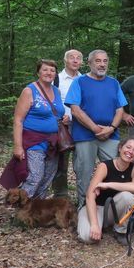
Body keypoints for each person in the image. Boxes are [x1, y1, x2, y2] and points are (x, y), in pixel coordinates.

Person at [64, 49, 127, 207]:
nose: (102, 64)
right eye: (98, 61)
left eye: (105, 61)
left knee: (115, 171)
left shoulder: (114, 83)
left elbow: (120, 110)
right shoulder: (79, 82)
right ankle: (84, 207)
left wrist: (111, 128)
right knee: (84, 174)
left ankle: (111, 207)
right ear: (90, 63)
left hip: (111, 136)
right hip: (85, 136)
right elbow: (75, 109)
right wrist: (96, 129)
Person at [12, 59, 68, 198]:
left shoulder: (56, 91)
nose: (49, 73)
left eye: (52, 70)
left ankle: (36, 212)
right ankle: (21, 214)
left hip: (53, 143)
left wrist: (63, 119)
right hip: (34, 142)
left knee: (47, 178)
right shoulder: (29, 91)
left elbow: (56, 113)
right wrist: (18, 146)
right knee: (35, 177)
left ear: (56, 74)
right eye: (45, 70)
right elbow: (18, 120)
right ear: (38, 72)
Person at [77, 137, 134, 244]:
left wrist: (108, 184)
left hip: (113, 210)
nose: (130, 152)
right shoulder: (104, 166)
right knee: (87, 237)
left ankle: (120, 230)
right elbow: (90, 196)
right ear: (120, 148)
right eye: (128, 147)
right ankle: (96, 224)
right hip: (96, 207)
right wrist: (94, 224)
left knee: (127, 196)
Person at [52, 49, 83, 197]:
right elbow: (48, 102)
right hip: (62, 128)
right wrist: (60, 116)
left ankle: (83, 197)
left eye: (78, 58)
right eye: (72, 58)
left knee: (82, 164)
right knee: (61, 165)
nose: (75, 60)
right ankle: (61, 197)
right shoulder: (55, 79)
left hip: (83, 127)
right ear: (65, 60)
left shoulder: (85, 80)